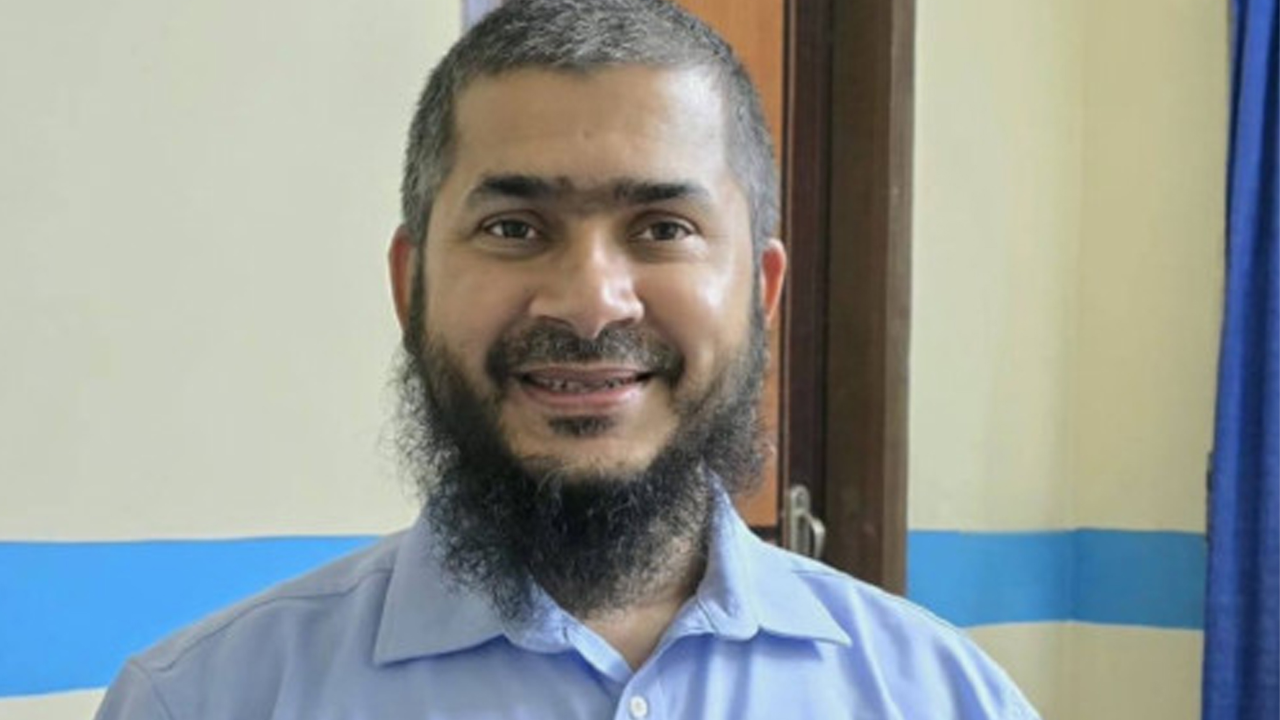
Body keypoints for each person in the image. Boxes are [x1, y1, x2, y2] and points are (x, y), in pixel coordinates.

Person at [95, 0, 1040, 717]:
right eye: (514, 227)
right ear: (410, 283)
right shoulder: (207, 700)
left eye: (662, 228)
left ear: (761, 290)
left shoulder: (943, 698)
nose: (590, 304)